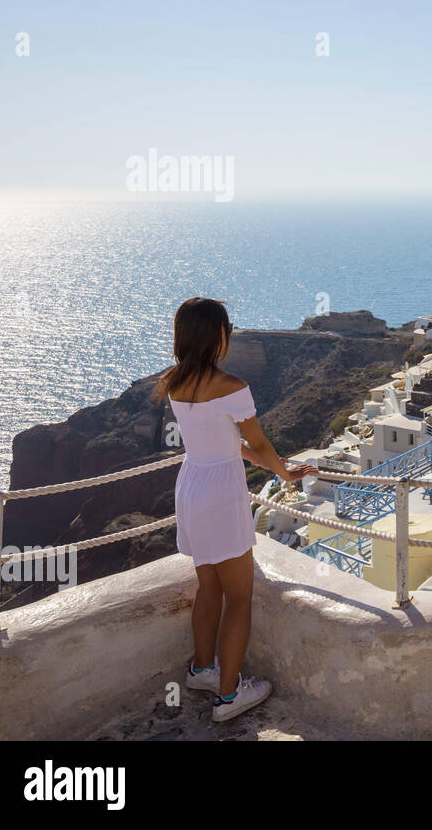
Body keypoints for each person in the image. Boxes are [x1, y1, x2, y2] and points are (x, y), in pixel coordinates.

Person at [154, 298, 317, 723]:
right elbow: (257, 443)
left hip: (191, 486)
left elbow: (228, 444)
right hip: (222, 493)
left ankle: (203, 671)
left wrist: (271, 466)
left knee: (210, 586)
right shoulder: (231, 386)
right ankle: (228, 697)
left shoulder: (173, 382)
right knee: (240, 596)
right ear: (218, 334)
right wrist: (284, 472)